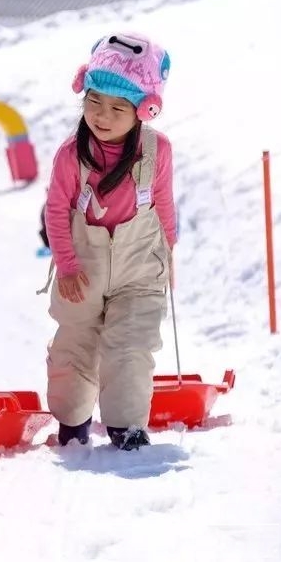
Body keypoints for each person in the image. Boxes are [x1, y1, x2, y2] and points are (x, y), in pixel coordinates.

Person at [41, 32, 176, 451]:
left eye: (118, 107)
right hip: (82, 266)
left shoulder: (157, 151)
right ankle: (73, 423)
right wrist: (65, 264)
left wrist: (167, 256)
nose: (102, 115)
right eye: (94, 101)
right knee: (75, 345)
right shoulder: (71, 155)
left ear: (144, 110)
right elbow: (56, 210)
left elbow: (164, 204)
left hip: (139, 266)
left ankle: (126, 428)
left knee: (131, 344)